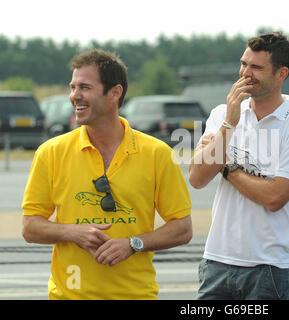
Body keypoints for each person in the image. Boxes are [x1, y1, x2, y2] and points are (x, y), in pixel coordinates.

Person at [21, 49, 192, 300]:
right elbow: (30, 227)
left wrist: (134, 244)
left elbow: (183, 228)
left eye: (85, 87)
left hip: (136, 295)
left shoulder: (157, 153)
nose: (74, 96)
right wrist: (72, 232)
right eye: (73, 87)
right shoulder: (51, 152)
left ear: (115, 93)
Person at [189, 32, 289, 300]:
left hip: (270, 269)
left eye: (256, 67)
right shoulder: (222, 114)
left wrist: (226, 167)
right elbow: (197, 177)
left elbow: (274, 197)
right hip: (217, 261)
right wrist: (229, 123)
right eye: (244, 64)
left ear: (281, 74)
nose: (245, 73)